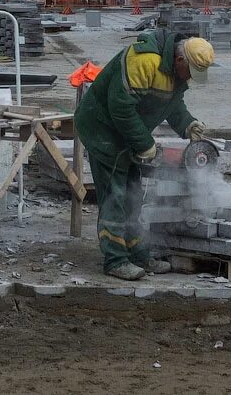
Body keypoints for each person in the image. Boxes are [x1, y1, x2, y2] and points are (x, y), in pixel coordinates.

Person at [74, 30, 214, 281]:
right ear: (181, 60)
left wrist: (187, 124)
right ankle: (115, 260)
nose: (191, 78)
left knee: (133, 194)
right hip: (102, 128)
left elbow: (172, 102)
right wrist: (145, 144)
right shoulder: (144, 61)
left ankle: (137, 254)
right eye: (191, 71)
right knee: (115, 195)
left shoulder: (175, 70)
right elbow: (121, 108)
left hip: (125, 132)